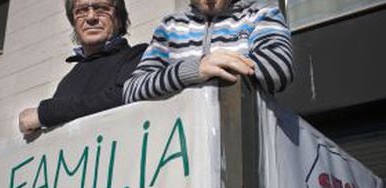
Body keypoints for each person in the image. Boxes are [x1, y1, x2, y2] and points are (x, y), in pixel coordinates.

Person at [123, 0, 293, 104]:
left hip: (244, 141)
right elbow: (131, 90)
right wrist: (194, 70)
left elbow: (278, 70)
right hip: (182, 147)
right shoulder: (170, 26)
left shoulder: (262, 13)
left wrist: (210, 70)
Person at [19, 0, 147, 134]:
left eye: (102, 9)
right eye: (81, 10)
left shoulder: (139, 55)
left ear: (119, 19)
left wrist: (45, 114)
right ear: (74, 22)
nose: (91, 17)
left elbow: (126, 94)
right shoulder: (67, 82)